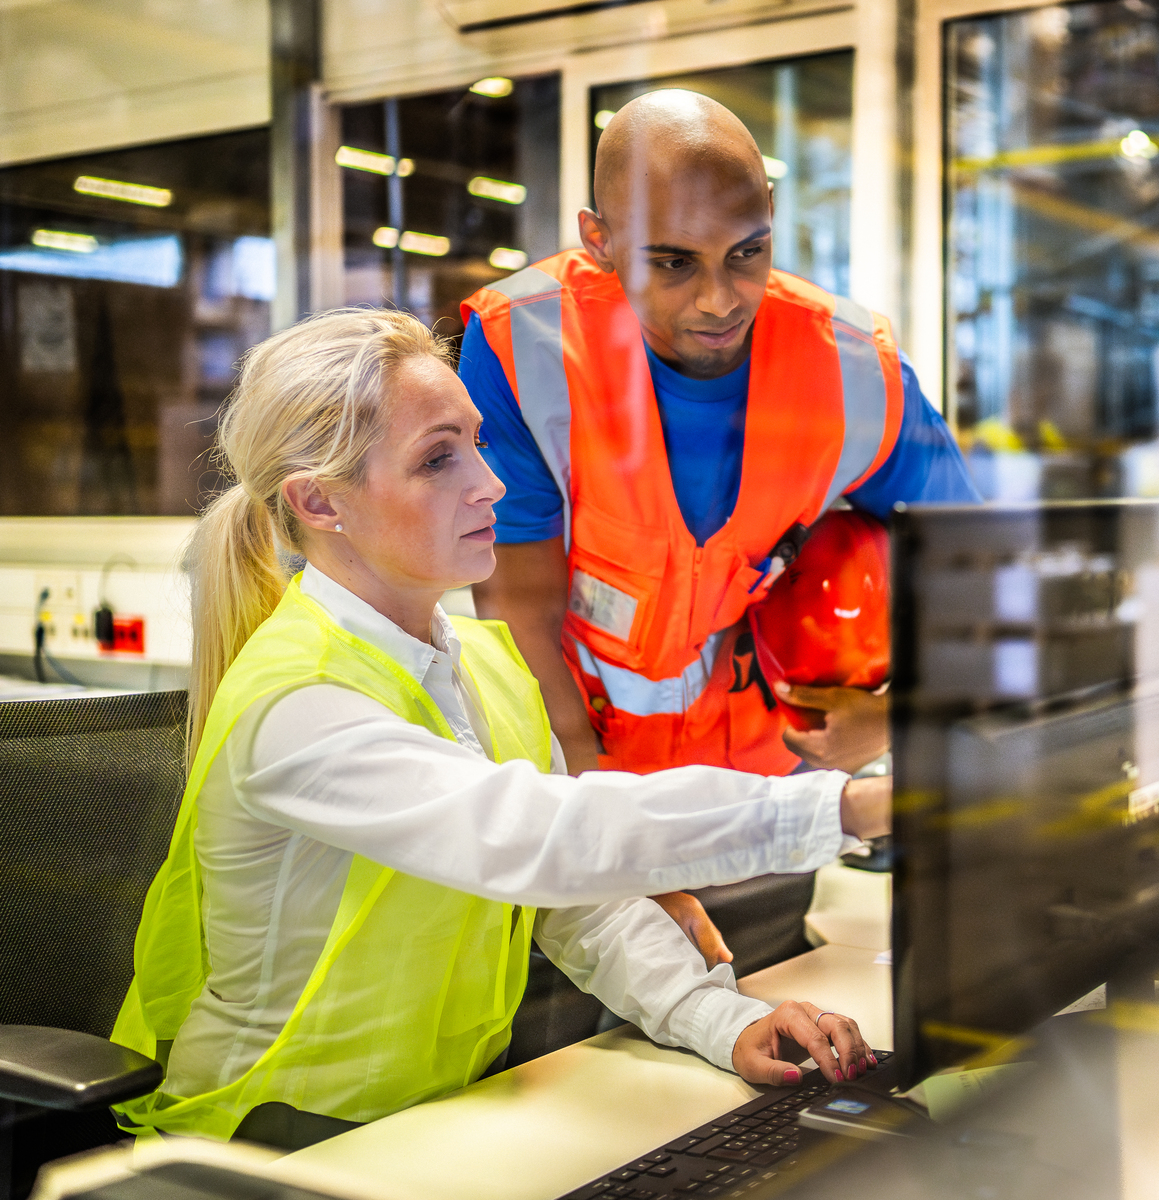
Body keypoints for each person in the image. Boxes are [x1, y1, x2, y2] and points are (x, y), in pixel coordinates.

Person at [109, 309, 888, 1150]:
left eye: (477, 444)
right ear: (318, 501)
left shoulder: (481, 663)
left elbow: (576, 902)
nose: (491, 484)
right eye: (438, 459)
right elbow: (543, 839)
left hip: (434, 1125)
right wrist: (852, 807)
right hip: (268, 1141)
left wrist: (721, 1019)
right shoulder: (297, 702)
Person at [460, 88, 978, 969]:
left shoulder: (855, 369)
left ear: (771, 215)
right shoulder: (527, 346)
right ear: (599, 239)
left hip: (767, 816)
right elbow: (519, 613)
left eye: (748, 253)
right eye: (672, 263)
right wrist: (608, 841)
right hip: (589, 806)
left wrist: (898, 717)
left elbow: (982, 576)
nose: (718, 299)